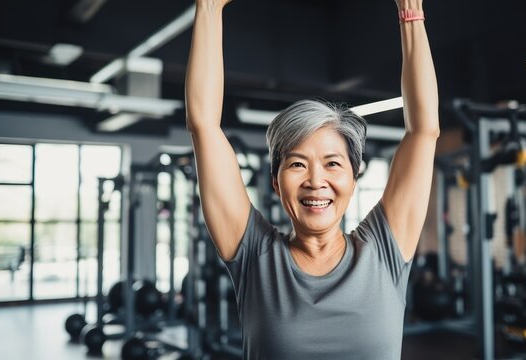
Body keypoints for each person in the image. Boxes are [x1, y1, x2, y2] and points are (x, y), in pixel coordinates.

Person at [185, 0, 439, 358]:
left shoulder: (385, 249)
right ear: (276, 182)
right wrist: (209, 8)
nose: (315, 180)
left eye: (333, 164)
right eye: (297, 165)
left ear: (354, 178)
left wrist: (410, 11)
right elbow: (203, 125)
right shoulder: (255, 256)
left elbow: (424, 131)